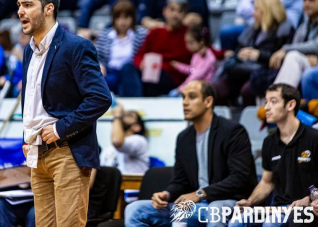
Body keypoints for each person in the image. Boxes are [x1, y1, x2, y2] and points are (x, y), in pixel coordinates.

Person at [15, 0, 111, 226]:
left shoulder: (76, 47)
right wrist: (27, 136)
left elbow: (100, 98)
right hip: (38, 155)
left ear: (48, 9)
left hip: (68, 151)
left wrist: (59, 128)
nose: (20, 11)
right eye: (19, 5)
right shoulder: (29, 50)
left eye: (27, 5)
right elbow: (34, 102)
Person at [125, 80, 257, 227]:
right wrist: (166, 194)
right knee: (135, 210)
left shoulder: (232, 131)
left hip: (228, 202)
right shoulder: (184, 138)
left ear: (208, 101)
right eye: (183, 97)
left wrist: (200, 194)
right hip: (196, 207)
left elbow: (239, 178)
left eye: (192, 97)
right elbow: (180, 181)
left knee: (215, 209)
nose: (185, 103)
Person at [229, 83, 318, 227]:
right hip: (279, 208)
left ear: (290, 105)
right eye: (266, 102)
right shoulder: (269, 141)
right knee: (237, 221)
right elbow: (267, 182)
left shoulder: (314, 138)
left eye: (273, 101)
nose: (266, 108)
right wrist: (250, 201)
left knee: (270, 223)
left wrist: (309, 199)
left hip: (306, 208)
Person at [213, 0, 293, 106]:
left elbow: (281, 60)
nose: (253, 13)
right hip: (243, 70)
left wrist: (259, 55)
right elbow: (239, 47)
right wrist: (241, 53)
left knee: (248, 90)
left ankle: (251, 120)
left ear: (267, 11)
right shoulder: (253, 29)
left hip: (265, 72)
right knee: (217, 88)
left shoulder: (284, 31)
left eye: (256, 10)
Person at [122, 0, 192, 97]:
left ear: (185, 14)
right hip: (149, 72)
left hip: (172, 77)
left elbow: (204, 52)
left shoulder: (190, 34)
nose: (175, 15)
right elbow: (139, 55)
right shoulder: (155, 33)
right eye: (172, 10)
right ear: (165, 11)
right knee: (127, 68)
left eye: (180, 11)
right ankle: (135, 104)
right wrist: (141, 62)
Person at [272, 0, 318, 101]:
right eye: (304, 0)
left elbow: (315, 46)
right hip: (308, 64)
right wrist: (305, 56)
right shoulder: (302, 27)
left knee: (293, 56)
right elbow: (296, 49)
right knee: (291, 58)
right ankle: (277, 101)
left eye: (312, 0)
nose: (307, 4)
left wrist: (285, 49)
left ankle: (278, 101)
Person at [96, 0, 148, 94]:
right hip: (110, 73)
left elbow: (146, 52)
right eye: (118, 18)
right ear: (113, 19)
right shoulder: (105, 35)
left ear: (133, 18)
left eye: (126, 17)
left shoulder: (141, 34)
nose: (122, 22)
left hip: (132, 73)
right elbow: (97, 57)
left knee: (127, 70)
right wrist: (100, 65)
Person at [169, 24, 216, 96]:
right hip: (195, 87)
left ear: (201, 42)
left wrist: (182, 88)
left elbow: (196, 75)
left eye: (190, 43)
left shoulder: (207, 57)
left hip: (203, 92)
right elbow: (192, 70)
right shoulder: (196, 55)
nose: (187, 46)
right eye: (186, 42)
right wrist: (179, 66)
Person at [100, 103, 148, 174]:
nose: (123, 115)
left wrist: (117, 116)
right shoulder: (108, 150)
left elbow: (117, 142)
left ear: (137, 127)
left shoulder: (139, 141)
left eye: (129, 115)